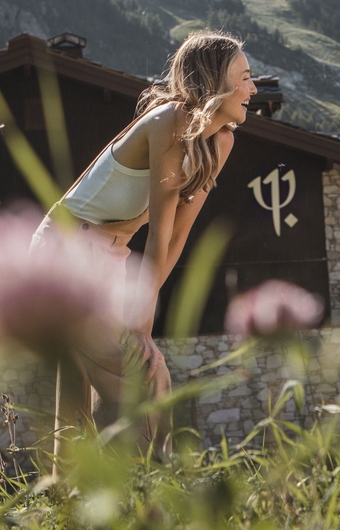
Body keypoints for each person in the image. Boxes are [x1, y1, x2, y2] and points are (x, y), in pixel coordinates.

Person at [31, 31, 257, 448]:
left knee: (90, 387)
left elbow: (176, 238)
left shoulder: (220, 141)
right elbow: (158, 230)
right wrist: (141, 327)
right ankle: (149, 489)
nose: (253, 89)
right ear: (214, 82)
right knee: (137, 370)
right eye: (244, 78)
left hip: (111, 256)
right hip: (64, 251)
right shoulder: (170, 122)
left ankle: (70, 501)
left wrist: (141, 320)